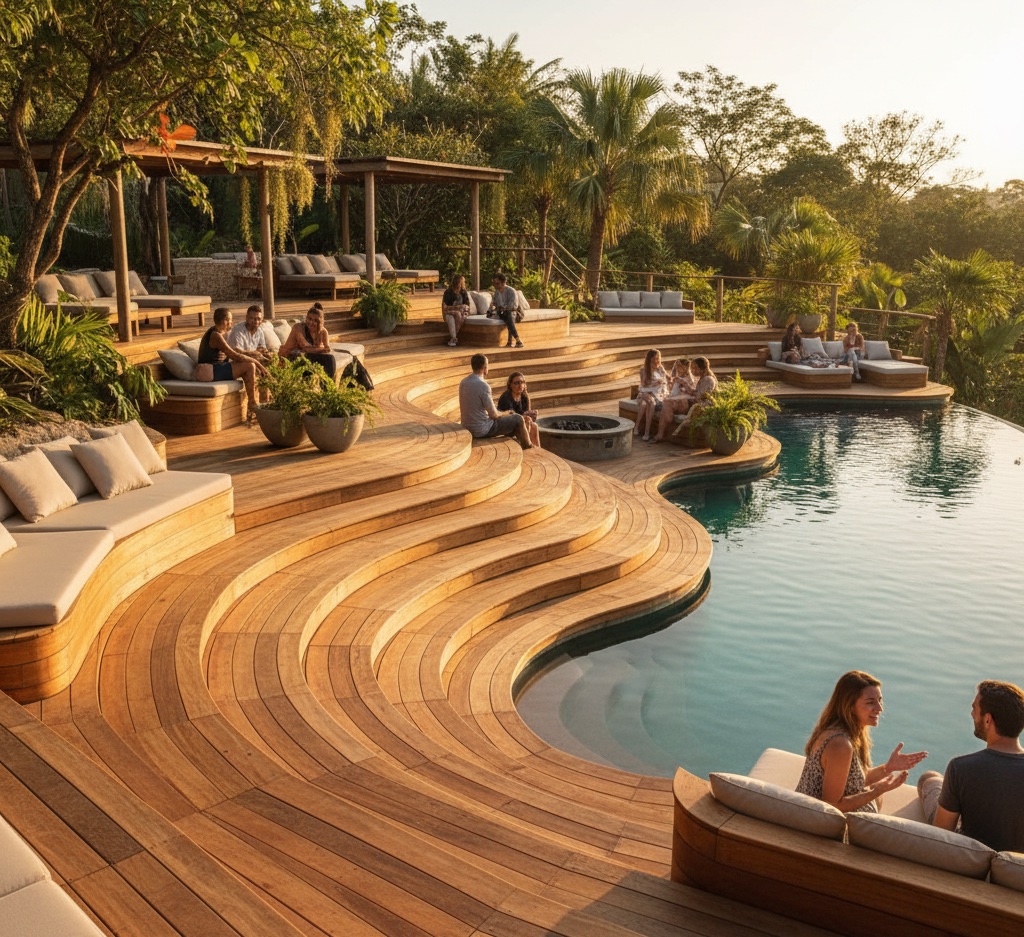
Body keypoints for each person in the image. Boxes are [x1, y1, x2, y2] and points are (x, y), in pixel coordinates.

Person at [795, 670, 927, 813]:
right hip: (819, 818)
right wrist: (875, 792)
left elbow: (852, 782)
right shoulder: (840, 745)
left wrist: (888, 768)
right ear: (850, 706)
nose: (879, 709)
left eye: (880, 700)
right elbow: (830, 807)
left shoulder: (845, 731)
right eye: (871, 703)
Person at [917, 680, 1024, 852]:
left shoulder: (961, 768)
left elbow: (941, 834)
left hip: (972, 856)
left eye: (975, 709)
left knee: (928, 778)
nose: (972, 714)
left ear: (988, 719)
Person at [196, 307, 266, 422]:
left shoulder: (222, 333)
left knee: (247, 366)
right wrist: (258, 363)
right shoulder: (216, 335)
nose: (231, 323)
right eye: (230, 320)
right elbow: (234, 355)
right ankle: (253, 406)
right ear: (225, 321)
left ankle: (256, 405)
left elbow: (236, 353)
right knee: (249, 366)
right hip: (209, 371)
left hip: (216, 369)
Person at [459, 353, 532, 449]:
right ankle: (528, 447)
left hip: (466, 426)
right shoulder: (483, 386)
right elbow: (494, 415)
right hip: (481, 430)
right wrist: (508, 413)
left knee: (514, 421)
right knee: (518, 419)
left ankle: (518, 443)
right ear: (485, 368)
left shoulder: (463, 382)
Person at [280, 303, 336, 379]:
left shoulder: (323, 332)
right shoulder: (298, 328)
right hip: (290, 358)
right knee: (302, 358)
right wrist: (321, 349)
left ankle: (328, 387)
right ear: (306, 318)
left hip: (306, 357)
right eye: (309, 319)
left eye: (315, 321)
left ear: (321, 322)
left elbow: (328, 349)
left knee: (330, 359)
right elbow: (306, 348)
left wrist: (320, 348)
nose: (311, 323)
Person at [654, 358, 695, 442]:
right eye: (676, 366)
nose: (677, 368)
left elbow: (691, 394)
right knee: (665, 407)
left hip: (683, 404)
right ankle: (660, 435)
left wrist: (683, 384)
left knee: (666, 404)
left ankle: (663, 429)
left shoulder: (689, 379)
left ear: (685, 368)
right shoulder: (676, 377)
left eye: (680, 366)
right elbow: (671, 391)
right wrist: (670, 384)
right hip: (673, 403)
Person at [497, 371, 541, 449]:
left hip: (522, 424)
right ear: (510, 385)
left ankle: (538, 450)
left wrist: (532, 415)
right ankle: (525, 447)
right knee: (527, 421)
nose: (520, 385)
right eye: (516, 383)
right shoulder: (506, 397)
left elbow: (528, 414)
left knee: (534, 426)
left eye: (522, 382)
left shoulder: (524, 396)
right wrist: (525, 417)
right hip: (506, 426)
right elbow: (509, 417)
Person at [635, 349, 667, 441]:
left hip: (657, 394)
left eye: (658, 358)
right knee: (651, 403)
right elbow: (644, 384)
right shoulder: (643, 369)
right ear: (649, 359)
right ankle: (646, 432)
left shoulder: (660, 368)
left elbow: (666, 379)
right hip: (645, 392)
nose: (656, 361)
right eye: (654, 359)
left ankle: (638, 428)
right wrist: (657, 382)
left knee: (644, 404)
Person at [489, 273, 523, 348]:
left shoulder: (511, 291)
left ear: (503, 282)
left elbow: (512, 306)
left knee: (508, 316)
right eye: (494, 283)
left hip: (512, 311)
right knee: (506, 316)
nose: (495, 285)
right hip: (501, 312)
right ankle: (516, 341)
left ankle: (512, 341)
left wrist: (503, 308)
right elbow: (495, 303)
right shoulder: (497, 292)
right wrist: (492, 307)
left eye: (497, 283)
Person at [442, 274, 472, 347]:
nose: (464, 283)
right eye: (463, 282)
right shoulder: (448, 292)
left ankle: (453, 338)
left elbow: (467, 305)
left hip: (462, 312)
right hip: (449, 313)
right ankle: (453, 338)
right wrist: (459, 307)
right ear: (459, 282)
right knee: (457, 314)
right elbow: (446, 308)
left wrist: (463, 309)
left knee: (459, 314)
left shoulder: (463, 292)